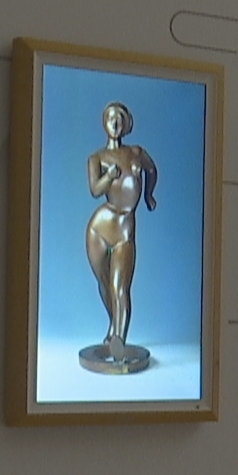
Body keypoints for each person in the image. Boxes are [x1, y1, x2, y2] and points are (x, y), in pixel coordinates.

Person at [82, 101, 158, 372]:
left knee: (120, 287)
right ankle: (112, 326)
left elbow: (151, 170)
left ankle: (118, 339)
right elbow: (94, 190)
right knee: (104, 283)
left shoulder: (136, 152)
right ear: (104, 123)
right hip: (99, 227)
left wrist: (149, 195)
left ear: (126, 124)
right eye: (110, 118)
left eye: (120, 119)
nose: (115, 123)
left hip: (125, 228)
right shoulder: (96, 158)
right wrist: (109, 176)